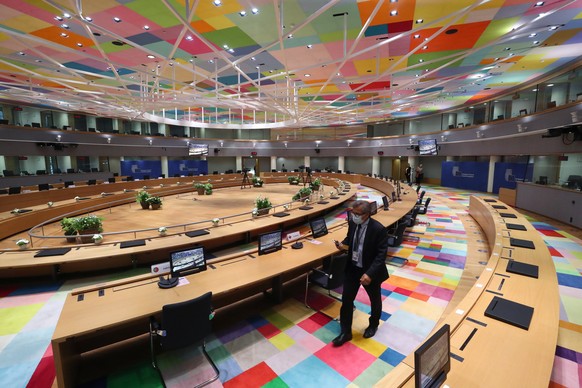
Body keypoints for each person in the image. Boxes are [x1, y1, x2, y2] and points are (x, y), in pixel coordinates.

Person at [332, 200, 389, 346]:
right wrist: (342, 245)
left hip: (370, 271)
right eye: (353, 213)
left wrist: (369, 274)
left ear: (367, 214)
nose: (354, 216)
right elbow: (350, 239)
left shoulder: (378, 229)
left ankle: (373, 325)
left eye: (357, 214)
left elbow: (381, 256)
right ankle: (345, 332)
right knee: (346, 300)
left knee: (374, 300)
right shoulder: (352, 223)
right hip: (353, 268)